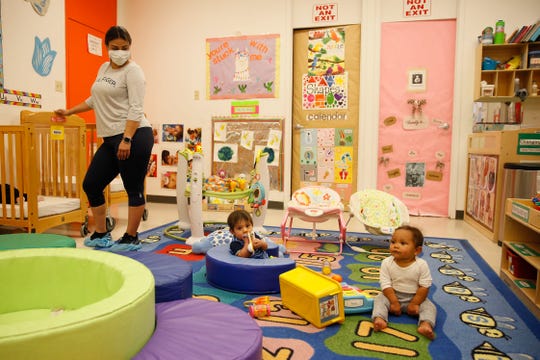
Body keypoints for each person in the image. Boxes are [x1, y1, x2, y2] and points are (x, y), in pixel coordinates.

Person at [54, 25, 153, 251]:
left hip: (134, 135)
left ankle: (131, 236)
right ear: (107, 48)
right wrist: (68, 112)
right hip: (110, 137)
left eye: (125, 47)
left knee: (133, 187)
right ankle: (101, 233)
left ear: (130, 47)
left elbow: (136, 109)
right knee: (91, 183)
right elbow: (94, 99)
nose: (120, 52)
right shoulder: (104, 68)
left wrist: (127, 139)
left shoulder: (134, 71)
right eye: (115, 47)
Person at [371, 225, 436, 340]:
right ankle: (379, 319)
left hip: (415, 297)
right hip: (392, 295)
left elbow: (424, 286)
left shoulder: (421, 265)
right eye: (393, 242)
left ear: (417, 250)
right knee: (378, 300)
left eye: (402, 243)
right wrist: (394, 302)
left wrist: (415, 303)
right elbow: (385, 285)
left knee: (430, 307)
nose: (395, 246)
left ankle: (425, 324)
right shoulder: (386, 263)